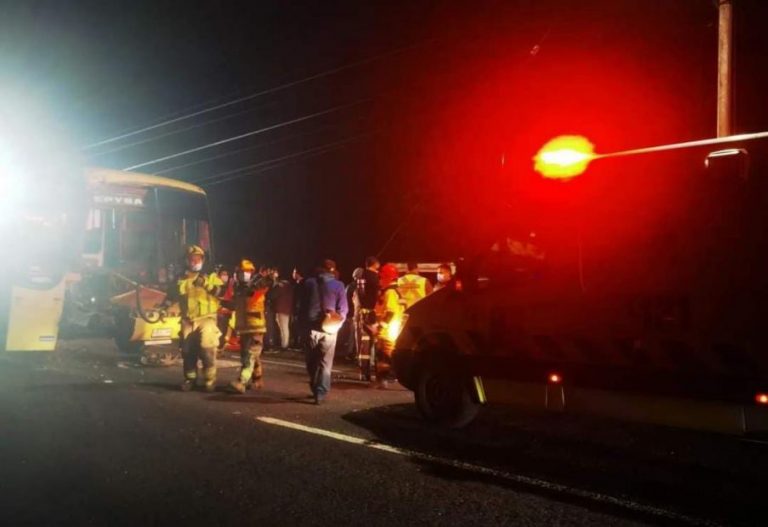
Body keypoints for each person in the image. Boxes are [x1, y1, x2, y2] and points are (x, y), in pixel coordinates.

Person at [172, 245, 224, 392]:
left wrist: (206, 284)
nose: (195, 261)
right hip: (188, 320)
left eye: (198, 259)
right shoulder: (181, 279)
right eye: (192, 259)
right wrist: (164, 308)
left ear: (203, 260)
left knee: (207, 349)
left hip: (207, 319)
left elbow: (222, 292)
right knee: (188, 352)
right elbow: (173, 296)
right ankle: (190, 379)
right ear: (187, 261)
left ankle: (209, 380)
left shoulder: (211, 277)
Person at [301, 259, 348, 405]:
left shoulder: (309, 283)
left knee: (311, 361)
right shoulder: (339, 285)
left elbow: (301, 305)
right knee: (325, 361)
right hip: (329, 328)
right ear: (334, 271)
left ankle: (315, 386)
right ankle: (320, 393)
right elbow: (344, 309)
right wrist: (337, 322)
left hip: (310, 328)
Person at [227, 259, 273, 394]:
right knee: (252, 355)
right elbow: (236, 305)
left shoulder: (257, 285)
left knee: (249, 355)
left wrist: (266, 277)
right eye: (242, 272)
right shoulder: (239, 288)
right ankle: (257, 379)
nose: (244, 274)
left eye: (248, 272)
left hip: (255, 327)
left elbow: (267, 283)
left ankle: (241, 381)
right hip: (244, 327)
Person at [374, 263, 404, 388]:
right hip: (394, 329)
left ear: (388, 277)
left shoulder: (390, 292)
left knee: (384, 356)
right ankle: (384, 379)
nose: (380, 280)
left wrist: (380, 326)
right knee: (386, 356)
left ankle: (384, 380)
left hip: (388, 331)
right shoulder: (397, 291)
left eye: (382, 277)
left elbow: (390, 312)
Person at [271, 274, 294, 350]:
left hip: (280, 308)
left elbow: (272, 295)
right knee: (285, 327)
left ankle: (284, 344)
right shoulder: (290, 286)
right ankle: (284, 343)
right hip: (287, 309)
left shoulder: (280, 286)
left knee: (283, 327)